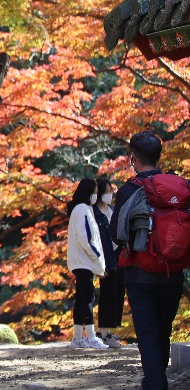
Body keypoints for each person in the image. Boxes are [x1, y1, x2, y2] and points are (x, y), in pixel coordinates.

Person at [109, 131, 185, 390]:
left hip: (140, 273)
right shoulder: (180, 187)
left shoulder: (129, 189)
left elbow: (115, 234)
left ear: (133, 158)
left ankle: (155, 382)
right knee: (164, 328)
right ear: (159, 156)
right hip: (173, 270)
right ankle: (155, 379)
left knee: (148, 332)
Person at [66, 178, 108, 349]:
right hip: (85, 262)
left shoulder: (78, 209)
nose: (96, 196)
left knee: (81, 298)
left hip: (79, 262)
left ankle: (77, 337)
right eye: (95, 192)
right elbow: (87, 239)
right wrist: (98, 262)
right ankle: (90, 336)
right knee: (88, 298)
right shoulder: (83, 210)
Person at [92, 178, 124, 348]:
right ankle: (104, 333)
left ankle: (108, 329)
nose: (110, 195)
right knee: (107, 294)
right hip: (104, 256)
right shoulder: (94, 212)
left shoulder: (110, 210)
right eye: (107, 192)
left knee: (117, 292)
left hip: (116, 254)